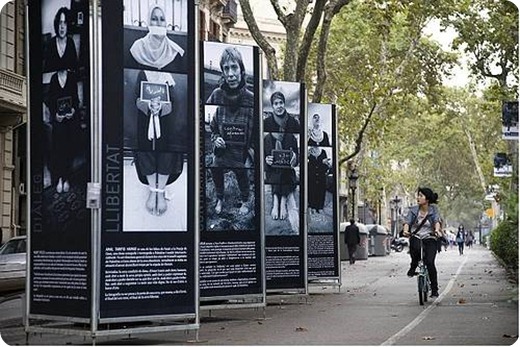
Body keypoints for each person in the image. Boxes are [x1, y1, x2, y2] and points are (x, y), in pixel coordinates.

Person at [207, 47, 255, 215]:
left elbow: (258, 132)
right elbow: (211, 126)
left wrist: (251, 153)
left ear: (241, 70)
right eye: (226, 68)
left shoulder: (251, 98)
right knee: (215, 165)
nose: (231, 74)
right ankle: (220, 197)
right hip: (223, 151)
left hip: (242, 153)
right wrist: (216, 138)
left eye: (234, 67)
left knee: (242, 171)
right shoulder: (216, 95)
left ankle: (245, 199)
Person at [133, 70, 184, 216]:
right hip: (144, 120)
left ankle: (160, 192)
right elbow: (136, 97)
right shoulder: (142, 73)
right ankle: (152, 190)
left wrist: (161, 107)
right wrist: (147, 106)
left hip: (165, 121)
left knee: (165, 153)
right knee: (145, 151)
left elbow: (173, 100)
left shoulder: (168, 75)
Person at [402, 187, 443, 297]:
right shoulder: (413, 210)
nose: (418, 198)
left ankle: (434, 289)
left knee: (430, 262)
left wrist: (437, 230)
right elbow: (407, 222)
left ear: (427, 199)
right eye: (418, 195)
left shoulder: (433, 210)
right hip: (416, 236)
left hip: (430, 238)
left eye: (421, 195)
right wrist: (406, 231)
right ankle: (413, 266)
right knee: (414, 250)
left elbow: (436, 221)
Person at [45, 69, 79, 193]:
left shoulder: (72, 77)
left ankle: (67, 178)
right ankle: (60, 178)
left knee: (69, 149)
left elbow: (75, 98)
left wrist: (73, 111)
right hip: (59, 121)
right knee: (59, 149)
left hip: (70, 120)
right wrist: (55, 115)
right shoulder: (54, 78)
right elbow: (50, 99)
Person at [129, 4, 185, 70]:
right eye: (154, 19)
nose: (159, 23)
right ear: (149, 22)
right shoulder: (137, 48)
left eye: (162, 19)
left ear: (166, 24)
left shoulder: (174, 51)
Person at [264, 132, 298, 222]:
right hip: (272, 172)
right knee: (276, 173)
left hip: (288, 173)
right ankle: (275, 201)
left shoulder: (291, 137)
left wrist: (294, 158)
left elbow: (297, 159)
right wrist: (266, 161)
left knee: (285, 172)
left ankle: (283, 201)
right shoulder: (266, 139)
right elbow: (261, 160)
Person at [43, 7, 78, 73]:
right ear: (57, 24)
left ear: (68, 25)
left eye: (65, 23)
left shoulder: (70, 42)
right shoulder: (51, 44)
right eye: (60, 22)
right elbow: (46, 70)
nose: (62, 27)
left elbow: (75, 68)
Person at [307, 146, 330, 214]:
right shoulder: (309, 152)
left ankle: (320, 207)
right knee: (311, 191)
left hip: (321, 177)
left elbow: (325, 167)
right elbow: (307, 166)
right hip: (311, 177)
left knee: (321, 192)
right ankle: (312, 206)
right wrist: (321, 162)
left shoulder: (323, 152)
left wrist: (325, 164)